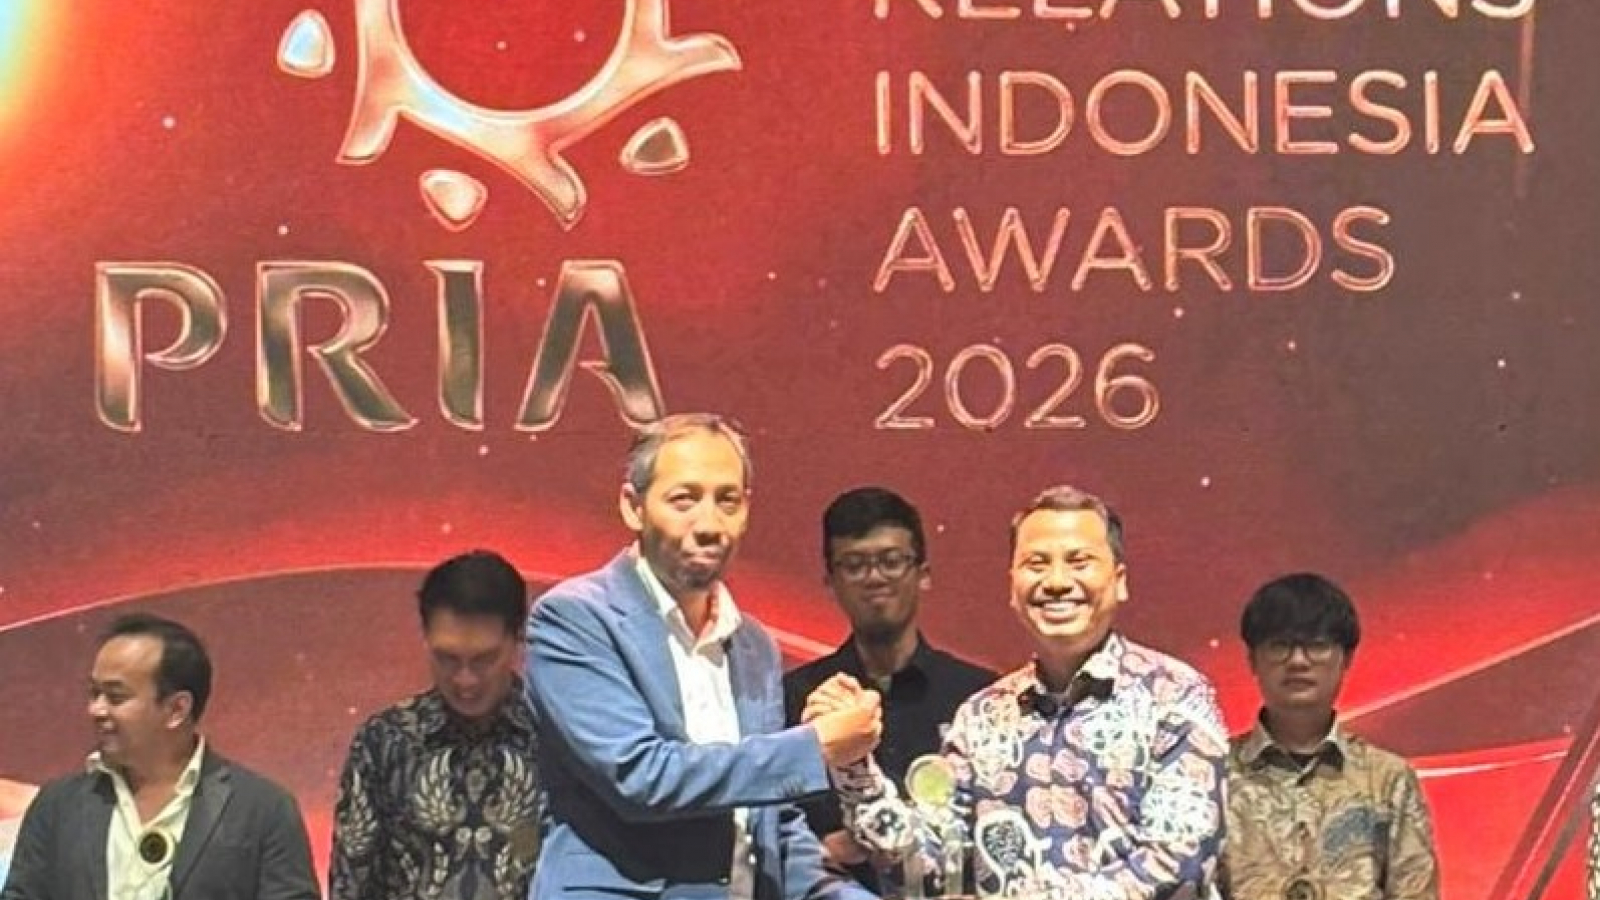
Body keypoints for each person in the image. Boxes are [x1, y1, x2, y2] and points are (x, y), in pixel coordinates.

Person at [524, 413, 880, 899]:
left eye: (726, 500)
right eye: (684, 499)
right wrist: (815, 747)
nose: (709, 524)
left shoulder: (754, 645)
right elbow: (641, 777)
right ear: (633, 506)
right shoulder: (576, 618)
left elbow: (770, 827)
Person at [813, 484, 1228, 899]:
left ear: (1119, 581)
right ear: (1012, 585)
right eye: (1036, 563)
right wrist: (854, 768)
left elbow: (1178, 864)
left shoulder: (1176, 698)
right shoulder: (982, 716)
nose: (1057, 582)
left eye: (1079, 561)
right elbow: (926, 869)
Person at [1, 613, 318, 900]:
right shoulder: (58, 805)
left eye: (116, 696)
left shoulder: (262, 809)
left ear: (176, 709)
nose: (96, 709)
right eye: (94, 693)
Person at [783, 486, 994, 889]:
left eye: (891, 561)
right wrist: (824, 851)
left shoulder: (978, 697)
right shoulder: (796, 699)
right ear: (830, 580)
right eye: (854, 565)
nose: (875, 577)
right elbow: (776, 833)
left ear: (923, 573)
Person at [330, 550, 542, 900]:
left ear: (518, 638)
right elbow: (352, 884)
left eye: (484, 659)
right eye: (446, 658)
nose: (465, 680)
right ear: (425, 638)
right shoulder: (385, 741)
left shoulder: (556, 739)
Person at [1221, 573, 1440, 900]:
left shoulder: (1387, 779)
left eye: (1317, 646)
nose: (1298, 661)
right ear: (1252, 660)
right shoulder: (1211, 775)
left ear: (1346, 658)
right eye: (1280, 646)